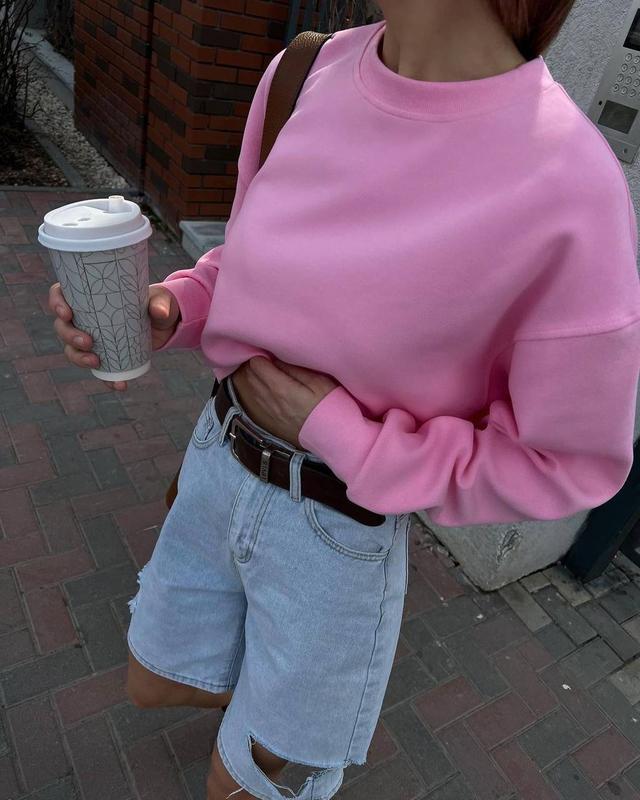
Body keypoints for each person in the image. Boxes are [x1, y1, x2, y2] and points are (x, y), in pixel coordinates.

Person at [48, 0, 640, 797]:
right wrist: (175, 308)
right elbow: (246, 260)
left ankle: (288, 705)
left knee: (238, 784)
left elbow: (563, 465)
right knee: (153, 682)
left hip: (335, 529)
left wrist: (340, 433)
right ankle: (272, 691)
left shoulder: (569, 185)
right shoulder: (304, 71)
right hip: (217, 460)